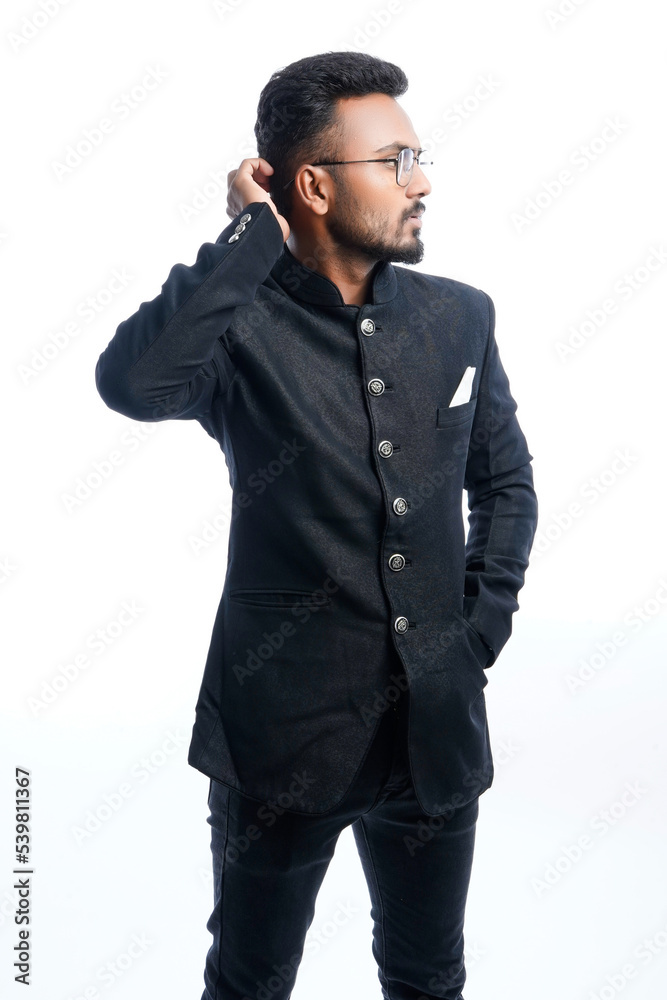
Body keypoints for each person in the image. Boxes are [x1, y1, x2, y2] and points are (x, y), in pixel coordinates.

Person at [95, 50, 538, 1000]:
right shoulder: (235, 327)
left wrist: (475, 635)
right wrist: (251, 235)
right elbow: (132, 384)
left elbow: (503, 484)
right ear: (312, 186)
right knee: (249, 982)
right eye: (394, 161)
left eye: (417, 156)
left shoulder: (460, 316)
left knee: (428, 977)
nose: (421, 182)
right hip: (281, 743)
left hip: (437, 734)